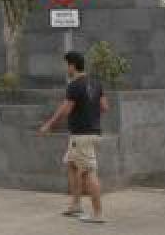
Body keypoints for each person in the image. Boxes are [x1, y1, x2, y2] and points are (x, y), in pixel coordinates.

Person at [39, 50, 109, 225]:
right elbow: (104, 107)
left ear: (72, 65)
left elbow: (66, 109)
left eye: (66, 65)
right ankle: (76, 204)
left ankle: (98, 213)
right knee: (71, 164)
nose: (66, 69)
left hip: (81, 135)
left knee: (88, 172)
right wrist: (90, 115)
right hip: (91, 132)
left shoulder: (74, 85)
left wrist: (49, 124)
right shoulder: (96, 83)